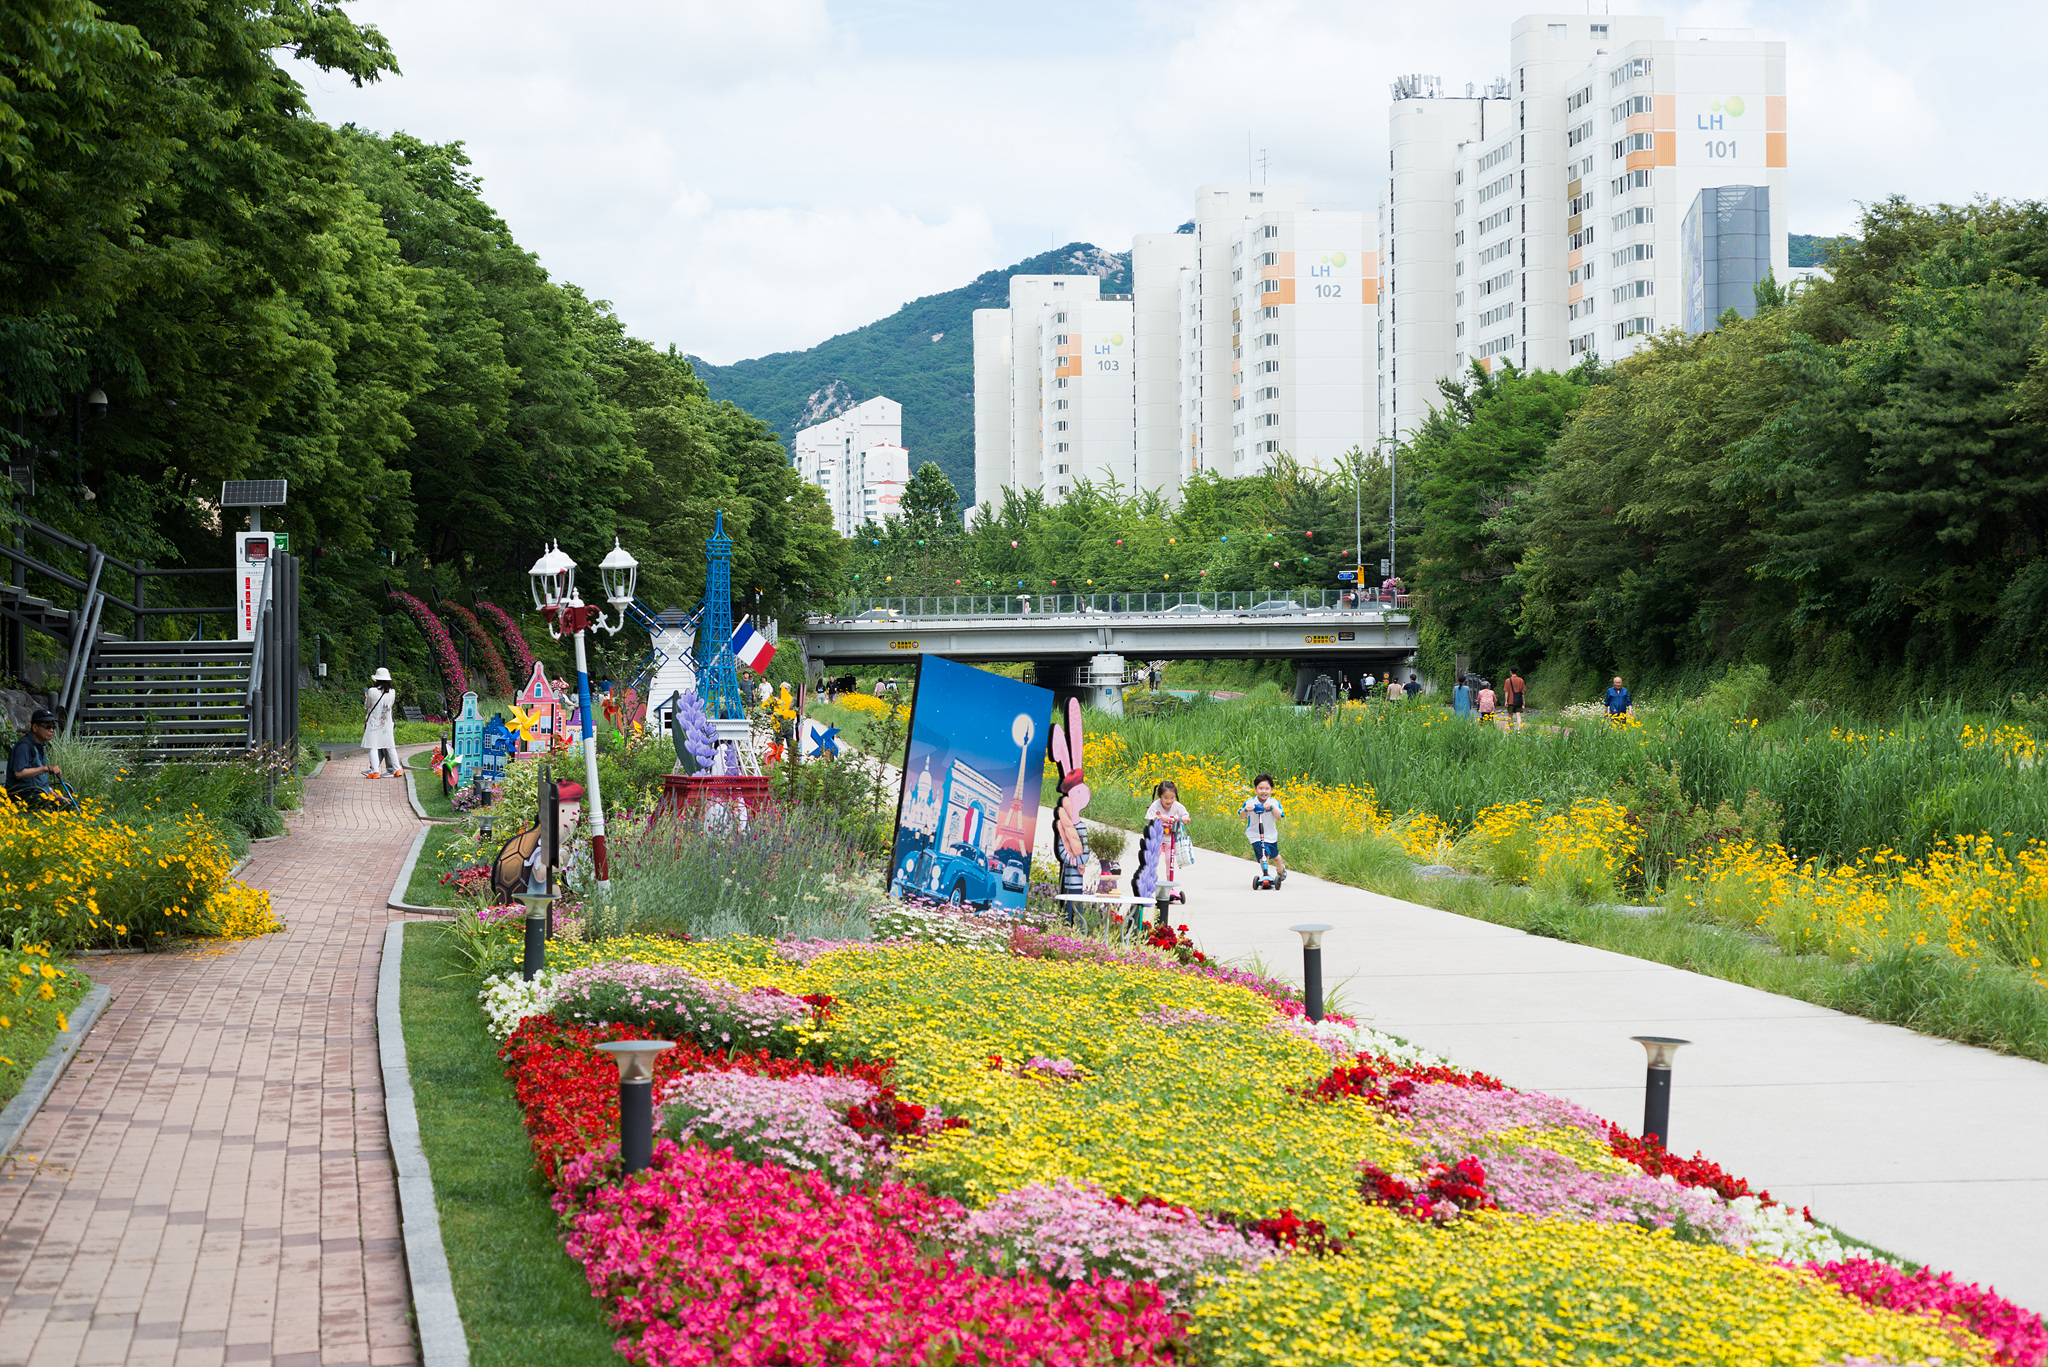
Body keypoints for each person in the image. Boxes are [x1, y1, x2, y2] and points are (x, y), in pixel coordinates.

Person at [7, 708, 73, 812]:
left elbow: (40, 779)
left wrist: (55, 795)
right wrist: (46, 768)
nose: (51, 730)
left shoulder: (40, 746)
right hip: (22, 795)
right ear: (35, 727)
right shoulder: (24, 746)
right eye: (47, 727)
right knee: (63, 805)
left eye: (53, 727)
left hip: (36, 793)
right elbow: (18, 773)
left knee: (70, 803)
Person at [1145, 781, 1193, 915]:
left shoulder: (1177, 806)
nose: (1169, 801)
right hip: (1157, 838)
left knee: (1169, 862)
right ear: (1160, 796)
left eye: (1172, 798)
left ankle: (1169, 886)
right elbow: (1149, 820)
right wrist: (1159, 818)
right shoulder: (1155, 806)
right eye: (1166, 798)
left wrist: (1184, 818)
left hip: (1170, 839)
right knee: (1153, 860)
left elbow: (1185, 815)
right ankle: (1150, 885)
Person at [1241, 774, 1285, 884]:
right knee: (1264, 854)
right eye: (1260, 788)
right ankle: (1265, 875)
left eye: (1267, 789)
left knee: (1275, 856)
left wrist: (1272, 808)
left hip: (1270, 835)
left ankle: (1281, 870)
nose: (1263, 791)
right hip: (1255, 835)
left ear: (1271, 790)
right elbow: (1242, 816)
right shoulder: (1250, 802)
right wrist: (1246, 810)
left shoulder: (1274, 802)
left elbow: (1279, 817)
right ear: (1255, 789)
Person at [362, 668, 399, 778]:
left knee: (373, 747)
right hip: (387, 723)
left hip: (374, 723)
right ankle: (397, 769)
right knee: (390, 746)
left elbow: (367, 706)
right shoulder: (392, 692)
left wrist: (367, 698)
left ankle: (375, 771)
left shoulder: (372, 691)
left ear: (377, 680)